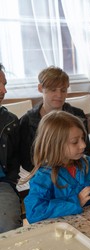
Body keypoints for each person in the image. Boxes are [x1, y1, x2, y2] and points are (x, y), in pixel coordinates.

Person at [23, 111, 90, 224]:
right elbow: (34, 212)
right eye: (75, 142)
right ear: (54, 145)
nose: (83, 145)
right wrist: (75, 201)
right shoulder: (43, 177)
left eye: (83, 138)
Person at [19, 66, 90, 172]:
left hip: (76, 173)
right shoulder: (27, 121)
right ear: (40, 88)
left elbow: (86, 151)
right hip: (44, 176)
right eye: (53, 90)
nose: (59, 95)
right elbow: (27, 161)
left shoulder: (77, 115)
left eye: (63, 90)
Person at [0, 63, 22, 233]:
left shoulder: (10, 121)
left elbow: (15, 159)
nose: (3, 90)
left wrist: (11, 180)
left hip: (3, 185)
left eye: (5, 84)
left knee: (11, 229)